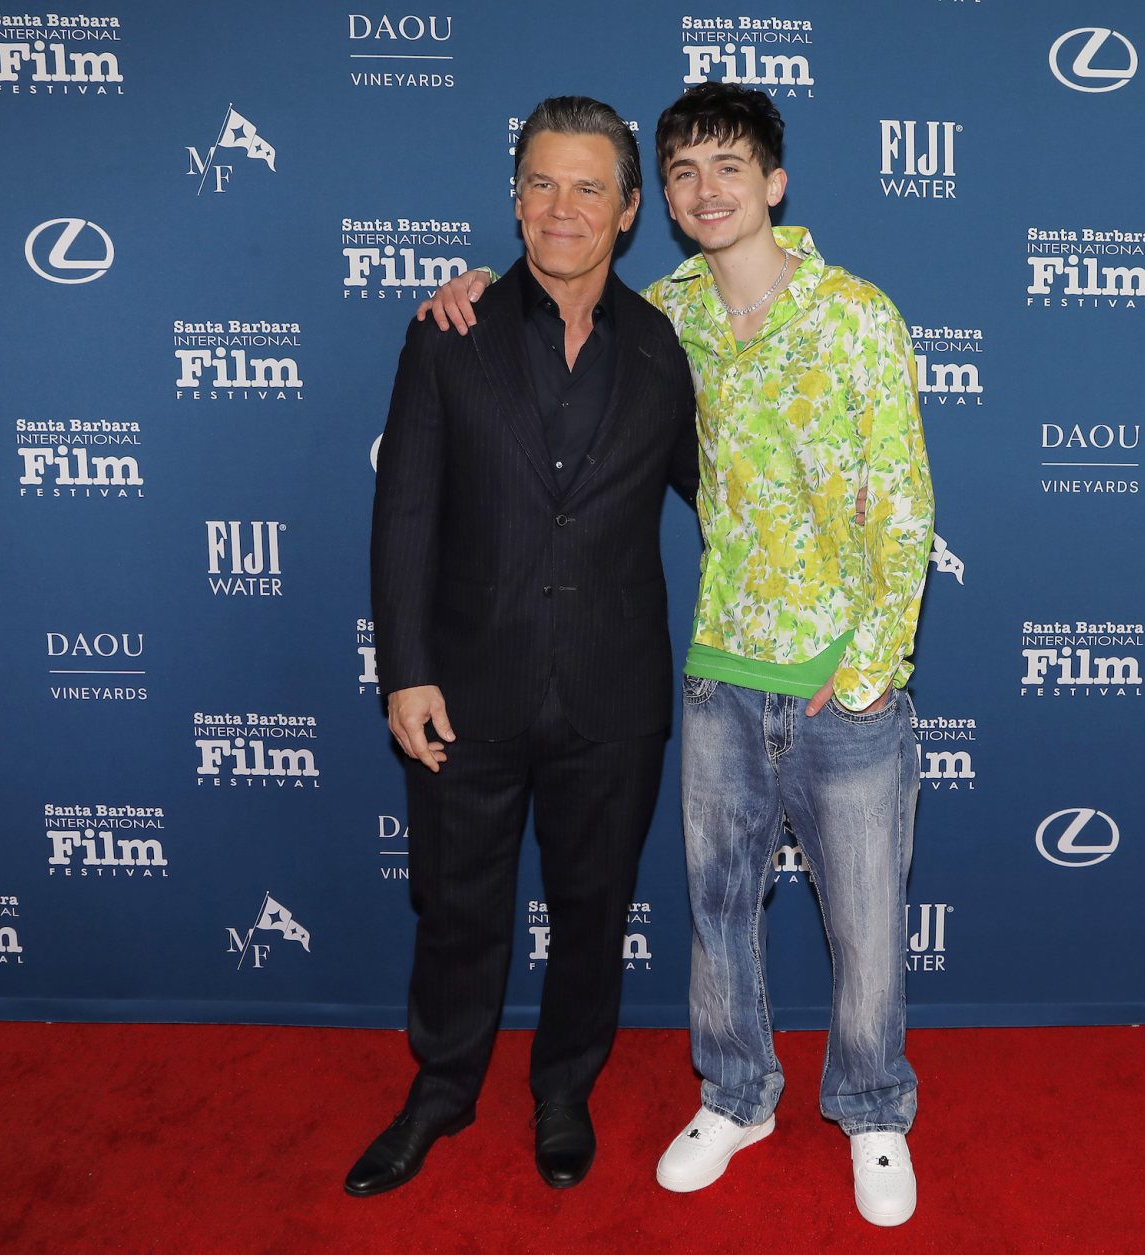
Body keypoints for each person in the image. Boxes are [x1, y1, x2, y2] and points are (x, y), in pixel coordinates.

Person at [422, 84, 934, 1228]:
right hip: (715, 675)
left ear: (775, 183)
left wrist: (867, 668)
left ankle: (872, 1108)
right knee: (718, 912)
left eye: (730, 167)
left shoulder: (857, 315)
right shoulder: (667, 320)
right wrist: (471, 291)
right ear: (660, 197)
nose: (708, 191)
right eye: (686, 172)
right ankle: (737, 1094)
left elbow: (905, 505)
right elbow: (554, 309)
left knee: (866, 923)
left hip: (843, 683)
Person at [350, 95, 698, 1199]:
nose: (562, 208)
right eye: (541, 183)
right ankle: (442, 1088)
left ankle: (564, 1090)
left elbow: (734, 496)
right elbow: (404, 510)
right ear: (514, 200)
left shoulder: (668, 348)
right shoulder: (448, 331)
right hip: (466, 686)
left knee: (593, 909)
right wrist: (405, 668)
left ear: (630, 210)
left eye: (589, 187)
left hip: (613, 688)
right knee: (456, 905)